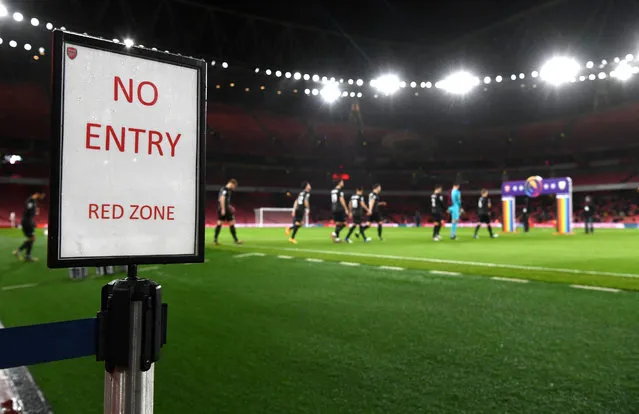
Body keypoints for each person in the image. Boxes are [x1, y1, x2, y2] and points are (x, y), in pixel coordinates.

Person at [13, 192, 46, 262]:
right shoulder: (30, 201)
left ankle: (27, 256)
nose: (43, 197)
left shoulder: (33, 201)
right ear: (37, 194)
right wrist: (34, 212)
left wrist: (35, 212)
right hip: (27, 222)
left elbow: (30, 212)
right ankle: (18, 251)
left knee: (32, 239)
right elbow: (28, 211)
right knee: (33, 238)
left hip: (29, 221)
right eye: (42, 195)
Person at [214, 179, 243, 245]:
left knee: (219, 223)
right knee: (232, 222)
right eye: (234, 186)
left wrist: (229, 206)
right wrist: (224, 209)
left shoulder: (224, 189)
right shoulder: (225, 189)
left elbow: (224, 200)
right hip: (224, 208)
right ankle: (236, 240)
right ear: (231, 183)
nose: (234, 188)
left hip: (222, 207)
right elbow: (222, 198)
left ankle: (215, 240)